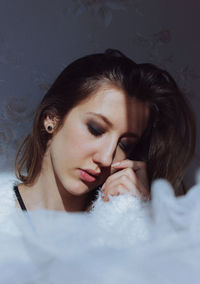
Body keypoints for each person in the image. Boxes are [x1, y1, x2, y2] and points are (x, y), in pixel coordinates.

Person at [14, 49, 196, 212]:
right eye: (96, 130)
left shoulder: (121, 231)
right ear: (51, 119)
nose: (106, 159)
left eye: (125, 145)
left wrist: (138, 217)